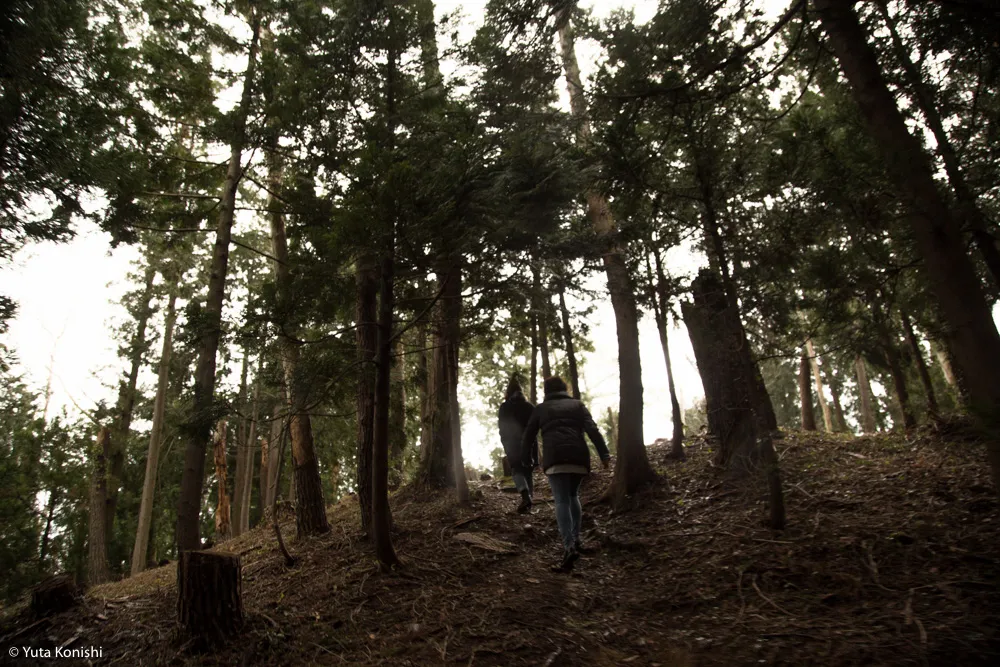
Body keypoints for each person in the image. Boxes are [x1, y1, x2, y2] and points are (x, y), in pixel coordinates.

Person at [521, 376, 611, 572]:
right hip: (578, 457)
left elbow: (528, 435)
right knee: (573, 496)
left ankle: (568, 546)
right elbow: (592, 429)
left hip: (555, 458)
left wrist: (526, 460)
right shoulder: (577, 405)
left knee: (561, 500)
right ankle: (577, 539)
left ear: (547, 391)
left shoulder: (541, 409)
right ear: (565, 388)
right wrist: (603, 454)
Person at [497, 377, 538, 513]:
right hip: (529, 442)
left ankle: (526, 497)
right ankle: (529, 501)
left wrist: (505, 443)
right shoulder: (529, 406)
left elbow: (502, 429)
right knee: (528, 471)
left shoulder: (504, 407)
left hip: (512, 443)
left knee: (516, 470)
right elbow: (534, 428)